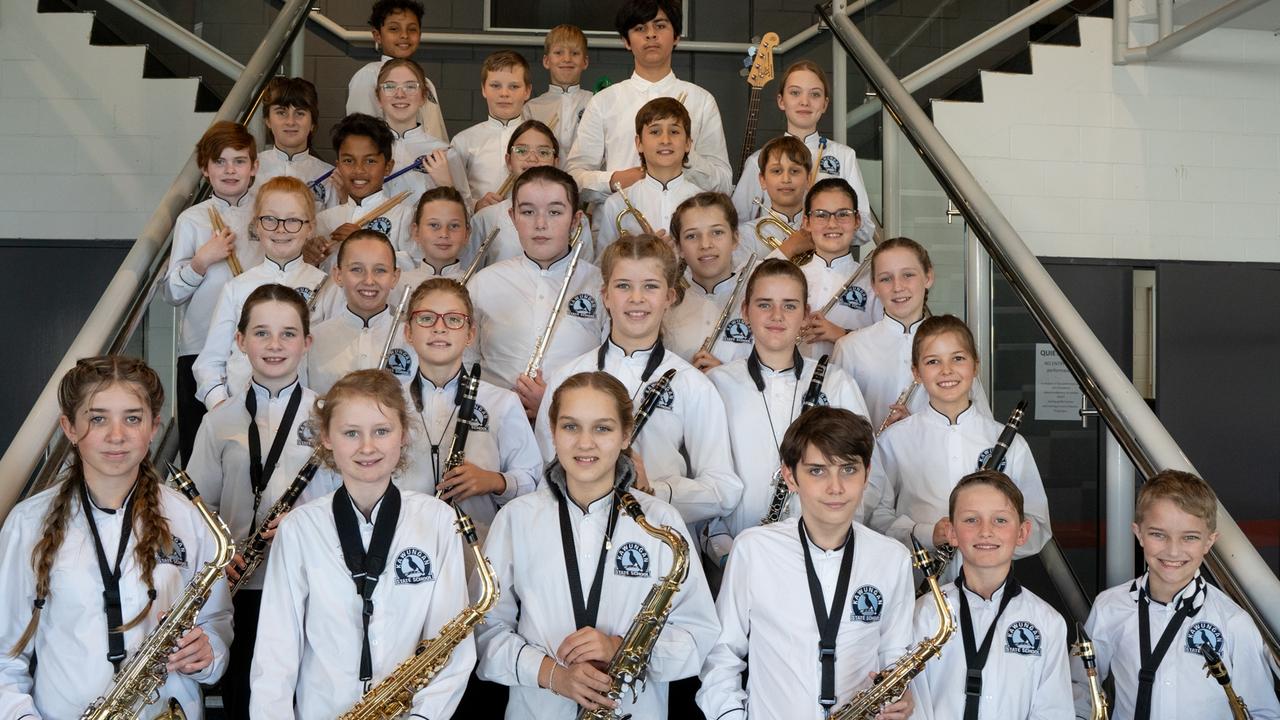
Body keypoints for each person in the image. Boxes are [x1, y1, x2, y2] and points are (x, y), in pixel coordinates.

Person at [475, 371, 719, 718]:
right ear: (553, 432)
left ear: (626, 435)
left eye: (602, 428)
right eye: (571, 427)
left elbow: (698, 634)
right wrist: (553, 675)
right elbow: (485, 633)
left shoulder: (661, 521)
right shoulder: (516, 519)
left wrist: (620, 648)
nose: (585, 443)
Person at [0, 356, 233, 719]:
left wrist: (208, 654)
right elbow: (4, 658)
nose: (116, 435)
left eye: (133, 418)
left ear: (154, 426)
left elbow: (216, 622)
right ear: (69, 427)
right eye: (97, 418)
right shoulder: (27, 524)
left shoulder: (187, 517)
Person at [249, 369, 472, 717]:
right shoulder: (298, 529)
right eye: (351, 433)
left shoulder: (438, 521)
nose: (367, 447)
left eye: (381, 431)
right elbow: (274, 657)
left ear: (403, 435)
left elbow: (453, 648)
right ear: (326, 438)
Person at [696, 407, 915, 720]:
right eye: (817, 471)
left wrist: (903, 695)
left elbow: (895, 656)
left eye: (848, 470)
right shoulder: (753, 549)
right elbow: (721, 655)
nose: (835, 487)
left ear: (867, 473)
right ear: (790, 477)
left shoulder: (892, 558)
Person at [186, 284, 338, 716]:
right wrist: (223, 553)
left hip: (315, 586)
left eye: (289, 334)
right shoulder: (218, 422)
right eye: (262, 333)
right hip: (243, 589)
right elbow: (198, 512)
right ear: (240, 341)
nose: (275, 345)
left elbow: (353, 500)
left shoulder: (331, 416)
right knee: (246, 703)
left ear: (307, 342)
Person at [535, 233, 741, 527]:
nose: (636, 298)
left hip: (657, 534)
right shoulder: (567, 377)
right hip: (576, 533)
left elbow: (724, 489)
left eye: (650, 286)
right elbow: (542, 471)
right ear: (605, 295)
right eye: (623, 286)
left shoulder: (691, 383)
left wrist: (656, 489)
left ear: (669, 297)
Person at [1071, 470, 1280, 720]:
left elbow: (1262, 712)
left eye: (1189, 537)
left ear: (1209, 541)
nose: (1173, 551)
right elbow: (1079, 686)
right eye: (1158, 534)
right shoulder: (1109, 606)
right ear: (1138, 533)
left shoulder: (1234, 621)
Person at [705, 258, 869, 559]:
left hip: (825, 552)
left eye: (790, 305)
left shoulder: (836, 383)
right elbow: (704, 476)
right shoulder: (717, 384)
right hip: (740, 551)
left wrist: (836, 547)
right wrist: (725, 551)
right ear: (745, 311)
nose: (777, 315)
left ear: (806, 314)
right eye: (765, 304)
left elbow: (866, 477)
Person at [867, 315, 1050, 580]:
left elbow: (1037, 523)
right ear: (916, 372)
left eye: (958, 358)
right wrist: (929, 533)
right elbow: (876, 518)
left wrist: (987, 540)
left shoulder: (1010, 442)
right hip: (918, 583)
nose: (947, 370)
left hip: (990, 584)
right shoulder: (893, 441)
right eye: (933, 362)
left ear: (975, 365)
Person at [909, 470, 1072, 719]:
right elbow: (915, 708)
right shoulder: (924, 613)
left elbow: (1053, 712)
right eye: (971, 520)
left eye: (1000, 520)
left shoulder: (1048, 622)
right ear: (951, 532)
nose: (986, 531)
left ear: (1022, 533)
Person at [399, 277, 541, 552]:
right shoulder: (388, 404)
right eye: (426, 318)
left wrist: (495, 481)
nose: (439, 328)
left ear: (470, 334)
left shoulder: (502, 402)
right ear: (408, 332)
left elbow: (532, 482)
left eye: (453, 320)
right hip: (404, 540)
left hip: (478, 545)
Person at [466, 166, 605, 416]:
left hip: (575, 429)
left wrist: (553, 404)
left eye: (555, 212)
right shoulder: (483, 284)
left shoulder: (600, 285)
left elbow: (611, 370)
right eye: (528, 212)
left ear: (576, 220)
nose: (540, 224)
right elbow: (465, 365)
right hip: (491, 427)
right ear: (512, 217)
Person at [566, 0, 732, 202]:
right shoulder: (603, 101)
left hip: (685, 226)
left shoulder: (702, 101)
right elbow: (573, 178)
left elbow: (724, 183)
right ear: (626, 41)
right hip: (622, 225)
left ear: (676, 37)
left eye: (660, 26)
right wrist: (615, 180)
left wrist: (686, 157)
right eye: (640, 28)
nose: (651, 34)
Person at [162, 120, 260, 462]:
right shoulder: (192, 219)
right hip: (199, 349)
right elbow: (172, 293)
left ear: (254, 166)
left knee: (253, 445)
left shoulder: (268, 213)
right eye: (220, 162)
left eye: (239, 160)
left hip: (258, 350)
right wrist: (202, 260)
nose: (230, 170)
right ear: (205, 169)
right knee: (199, 449)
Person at [193, 176, 327, 410]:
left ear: (310, 227)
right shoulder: (237, 288)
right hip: (244, 414)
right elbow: (209, 363)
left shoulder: (328, 286)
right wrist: (222, 408)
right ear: (256, 225)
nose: (281, 229)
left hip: (308, 419)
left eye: (293, 220)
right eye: (270, 220)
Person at [832, 236, 990, 431]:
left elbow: (981, 424)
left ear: (928, 277)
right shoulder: (849, 348)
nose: (898, 287)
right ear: (874, 286)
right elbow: (834, 429)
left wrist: (915, 429)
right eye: (886, 279)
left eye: (908, 275)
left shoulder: (954, 344)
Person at [733, 59, 875, 246]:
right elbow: (736, 226)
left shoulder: (844, 156)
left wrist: (828, 227)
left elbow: (865, 230)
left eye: (814, 95)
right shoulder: (758, 160)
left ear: (824, 104)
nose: (804, 102)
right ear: (781, 101)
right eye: (795, 93)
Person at [469, 120, 595, 265]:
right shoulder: (486, 218)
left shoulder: (576, 219)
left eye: (543, 152)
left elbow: (585, 275)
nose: (533, 158)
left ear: (556, 162)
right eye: (522, 151)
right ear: (509, 161)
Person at [306, 230, 413, 394]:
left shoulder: (412, 340)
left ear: (395, 277)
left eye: (380, 270)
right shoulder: (313, 341)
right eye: (357, 269)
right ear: (338, 275)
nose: (369, 280)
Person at [791, 178, 882, 359]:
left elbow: (886, 344)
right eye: (821, 214)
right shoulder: (790, 279)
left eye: (843, 214)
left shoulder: (875, 281)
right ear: (806, 222)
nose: (832, 223)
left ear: (857, 220)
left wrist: (841, 334)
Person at [594, 97, 703, 249]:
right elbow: (602, 265)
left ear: (687, 144)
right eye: (655, 131)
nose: (665, 140)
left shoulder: (704, 203)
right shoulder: (615, 204)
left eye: (674, 131)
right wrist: (641, 253)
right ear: (639, 143)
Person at [661, 192, 755, 368]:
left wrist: (725, 375)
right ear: (679, 247)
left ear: (735, 239)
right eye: (692, 236)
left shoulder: (759, 302)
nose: (705, 244)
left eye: (717, 232)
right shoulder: (664, 305)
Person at [312, 113, 416, 265]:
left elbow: (416, 269)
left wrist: (365, 242)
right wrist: (308, 259)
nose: (359, 170)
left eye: (370, 161)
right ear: (338, 165)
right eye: (348, 160)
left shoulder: (405, 217)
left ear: (388, 167)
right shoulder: (324, 220)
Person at [376, 59, 472, 212]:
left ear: (423, 96)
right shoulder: (366, 150)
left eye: (410, 86)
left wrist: (446, 184)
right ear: (378, 97)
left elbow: (467, 215)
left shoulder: (444, 152)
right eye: (389, 86)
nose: (400, 94)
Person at [346, 0, 449, 143]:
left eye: (412, 29)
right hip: (392, 163)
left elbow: (438, 134)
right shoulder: (369, 75)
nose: (404, 35)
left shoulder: (426, 83)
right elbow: (360, 134)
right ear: (377, 35)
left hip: (431, 162)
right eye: (394, 29)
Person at [452, 50, 533, 203]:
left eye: (514, 86)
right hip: (480, 223)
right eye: (495, 85)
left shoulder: (540, 139)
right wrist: (476, 205)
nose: (504, 93)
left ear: (527, 91)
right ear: (483, 89)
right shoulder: (463, 141)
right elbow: (455, 194)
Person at [255, 76, 339, 210]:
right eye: (281, 112)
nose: (290, 121)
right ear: (268, 121)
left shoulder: (330, 176)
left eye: (299, 113)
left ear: (312, 123)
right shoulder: (250, 169)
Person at [736, 135, 815, 259]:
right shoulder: (745, 235)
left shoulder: (819, 229)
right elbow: (744, 278)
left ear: (808, 180)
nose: (786, 179)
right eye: (777, 171)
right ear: (762, 180)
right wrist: (789, 248)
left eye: (794, 171)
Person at [523, 24, 593, 151]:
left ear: (585, 62)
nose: (567, 59)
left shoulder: (596, 102)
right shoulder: (531, 109)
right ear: (546, 61)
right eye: (558, 53)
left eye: (575, 53)